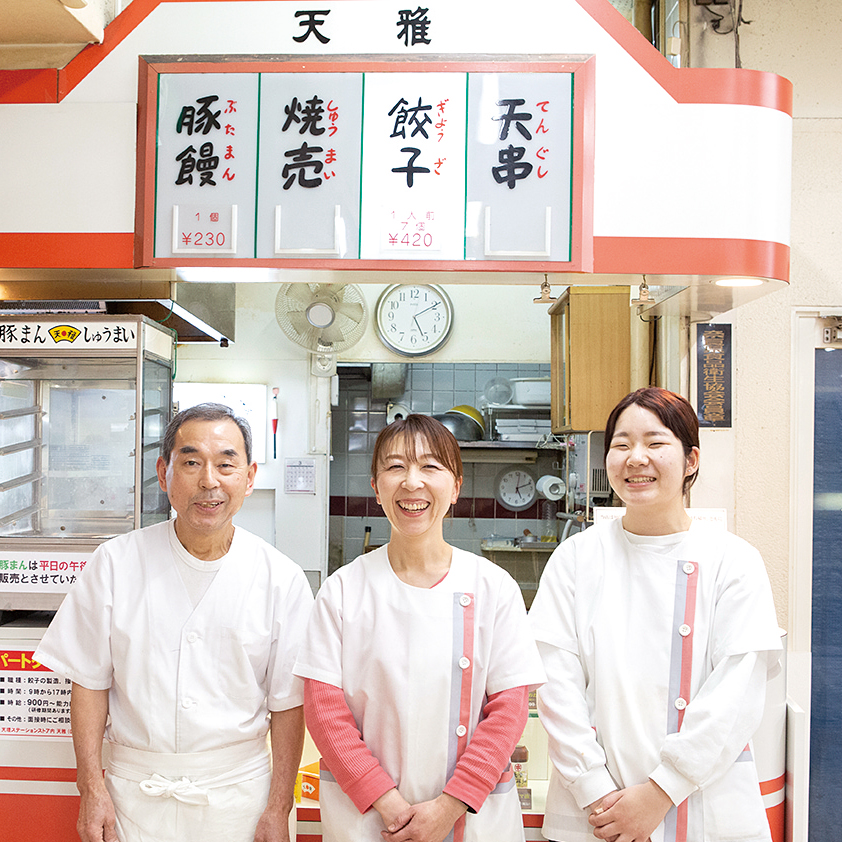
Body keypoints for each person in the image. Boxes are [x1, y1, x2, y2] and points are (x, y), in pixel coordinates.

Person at [34, 403, 314, 842]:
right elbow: (88, 684)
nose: (209, 480)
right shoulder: (115, 562)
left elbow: (288, 704)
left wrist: (280, 805)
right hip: (133, 797)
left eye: (226, 463)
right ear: (164, 473)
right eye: (190, 462)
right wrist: (90, 788)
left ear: (249, 476)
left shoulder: (281, 579)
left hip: (239, 799)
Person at [529, 387, 781, 842]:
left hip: (705, 806)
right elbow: (555, 686)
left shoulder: (733, 561)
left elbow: (735, 696)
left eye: (655, 442)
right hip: (595, 813)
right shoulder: (575, 559)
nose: (635, 457)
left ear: (691, 461)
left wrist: (660, 793)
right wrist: (598, 794)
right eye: (621, 445)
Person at [293, 414, 545, 842]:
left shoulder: (492, 587)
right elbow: (324, 713)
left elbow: (509, 710)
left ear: (456, 486)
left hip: (471, 816)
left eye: (430, 467)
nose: (412, 482)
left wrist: (449, 806)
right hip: (371, 818)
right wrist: (387, 802)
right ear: (375, 486)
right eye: (395, 467)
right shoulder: (343, 590)